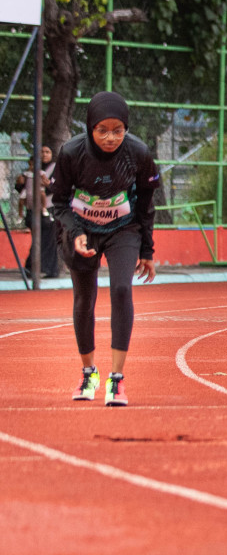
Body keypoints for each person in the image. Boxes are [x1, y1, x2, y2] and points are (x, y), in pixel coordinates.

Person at [51, 92, 160, 407]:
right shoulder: (72, 153)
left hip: (123, 229)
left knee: (122, 290)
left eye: (118, 130)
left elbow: (146, 203)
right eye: (103, 130)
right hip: (82, 230)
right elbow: (59, 202)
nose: (111, 137)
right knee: (85, 299)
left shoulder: (138, 153)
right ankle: (89, 373)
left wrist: (148, 251)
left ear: (126, 129)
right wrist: (74, 232)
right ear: (90, 128)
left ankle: (117, 380)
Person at [15, 144, 58, 279]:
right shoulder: (31, 170)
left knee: (48, 239)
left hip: (49, 208)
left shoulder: (55, 169)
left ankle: (47, 269)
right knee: (38, 238)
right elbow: (23, 190)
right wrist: (19, 183)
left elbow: (60, 188)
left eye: (47, 152)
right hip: (32, 208)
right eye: (42, 152)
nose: (44, 154)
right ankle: (33, 267)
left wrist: (48, 185)